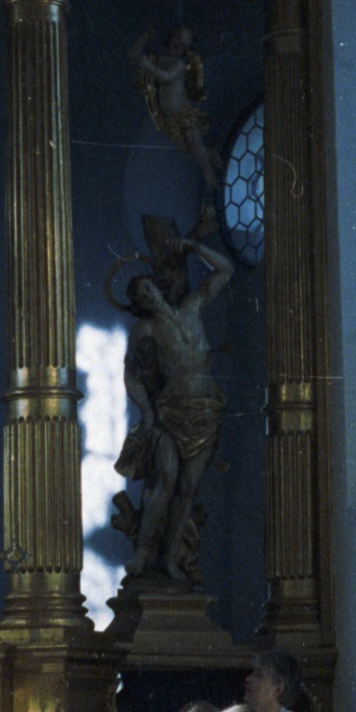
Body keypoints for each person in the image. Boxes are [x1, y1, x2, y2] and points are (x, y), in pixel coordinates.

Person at [114, 236, 233, 582]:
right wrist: (148, 413)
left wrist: (195, 247)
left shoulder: (192, 307)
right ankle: (142, 556)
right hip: (171, 411)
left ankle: (169, 559)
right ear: (139, 305)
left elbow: (225, 270)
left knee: (188, 487)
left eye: (150, 288)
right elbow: (132, 376)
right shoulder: (145, 330)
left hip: (206, 411)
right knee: (164, 479)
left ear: (159, 289)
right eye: (141, 296)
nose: (148, 295)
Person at [129, 24, 220, 190]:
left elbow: (166, 77)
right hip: (172, 120)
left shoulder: (178, 65)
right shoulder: (159, 60)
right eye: (177, 39)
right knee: (186, 148)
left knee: (193, 141)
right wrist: (145, 37)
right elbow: (134, 55)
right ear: (171, 37)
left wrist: (148, 66)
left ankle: (210, 177)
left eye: (184, 45)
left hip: (186, 114)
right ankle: (210, 154)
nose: (178, 45)